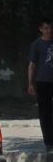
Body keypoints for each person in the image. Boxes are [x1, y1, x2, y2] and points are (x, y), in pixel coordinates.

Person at [27, 16, 53, 152]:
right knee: (45, 112)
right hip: (43, 82)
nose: (49, 31)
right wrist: (30, 83)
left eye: (51, 28)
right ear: (41, 29)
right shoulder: (36, 45)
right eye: (46, 28)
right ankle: (49, 141)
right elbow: (32, 65)